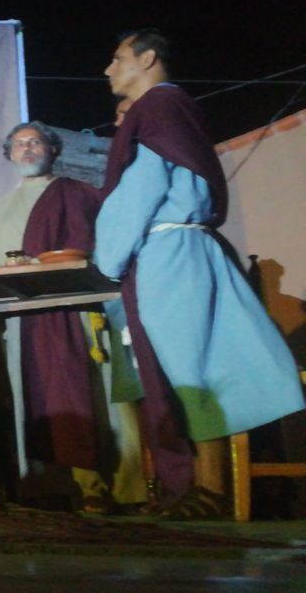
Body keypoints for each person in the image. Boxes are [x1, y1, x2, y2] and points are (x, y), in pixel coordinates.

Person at [97, 28, 305, 517]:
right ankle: (199, 487)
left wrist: (108, 257)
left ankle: (206, 489)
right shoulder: (172, 109)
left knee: (190, 366)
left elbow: (141, 189)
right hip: (180, 247)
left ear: (147, 59)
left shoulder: (157, 109)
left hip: (167, 251)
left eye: (117, 58)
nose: (108, 70)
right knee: (195, 361)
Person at [0, 121, 141, 511]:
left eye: (36, 142)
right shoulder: (0, 209)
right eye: (19, 144)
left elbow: (99, 243)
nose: (28, 149)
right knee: (31, 397)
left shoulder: (77, 193)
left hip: (75, 307)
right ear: (10, 155)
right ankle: (46, 486)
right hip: (24, 315)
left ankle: (112, 485)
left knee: (95, 394)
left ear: (53, 150)